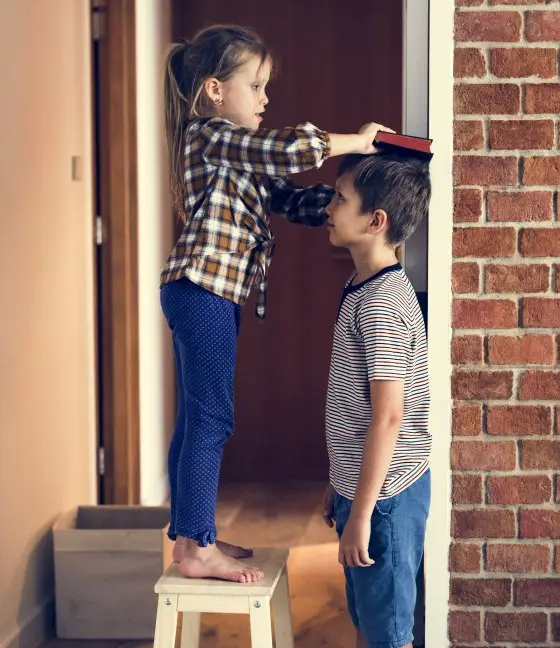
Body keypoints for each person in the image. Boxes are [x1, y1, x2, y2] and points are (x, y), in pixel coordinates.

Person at [160, 23, 391, 584]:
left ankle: (194, 536)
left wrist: (350, 198)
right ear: (215, 90)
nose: (266, 99)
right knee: (211, 418)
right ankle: (196, 548)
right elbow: (287, 149)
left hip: (203, 292)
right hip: (203, 290)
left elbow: (288, 197)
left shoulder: (235, 156)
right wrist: (355, 142)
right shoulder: (210, 134)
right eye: (256, 86)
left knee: (196, 418)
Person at [321, 152, 431, 648]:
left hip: (384, 499)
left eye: (340, 198)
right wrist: (339, 484)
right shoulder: (363, 286)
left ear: (375, 220)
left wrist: (362, 513)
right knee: (369, 622)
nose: (329, 205)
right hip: (365, 490)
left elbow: (388, 417)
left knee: (389, 636)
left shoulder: (382, 304)